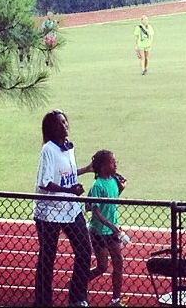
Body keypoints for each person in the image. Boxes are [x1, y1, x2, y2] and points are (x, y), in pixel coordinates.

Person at [33, 109, 92, 307]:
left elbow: (68, 173)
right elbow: (45, 182)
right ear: (51, 128)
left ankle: (77, 298)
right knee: (47, 258)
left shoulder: (68, 147)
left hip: (70, 209)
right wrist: (70, 189)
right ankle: (42, 301)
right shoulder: (48, 149)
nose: (64, 125)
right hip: (49, 213)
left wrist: (87, 169)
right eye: (60, 123)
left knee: (84, 250)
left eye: (65, 122)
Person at [86, 150, 127, 308]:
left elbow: (112, 202)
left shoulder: (114, 181)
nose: (115, 164)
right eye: (112, 162)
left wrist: (121, 188)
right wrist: (111, 225)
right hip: (99, 232)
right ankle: (78, 281)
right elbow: (95, 211)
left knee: (119, 263)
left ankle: (116, 300)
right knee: (102, 267)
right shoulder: (97, 185)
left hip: (112, 231)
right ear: (103, 166)